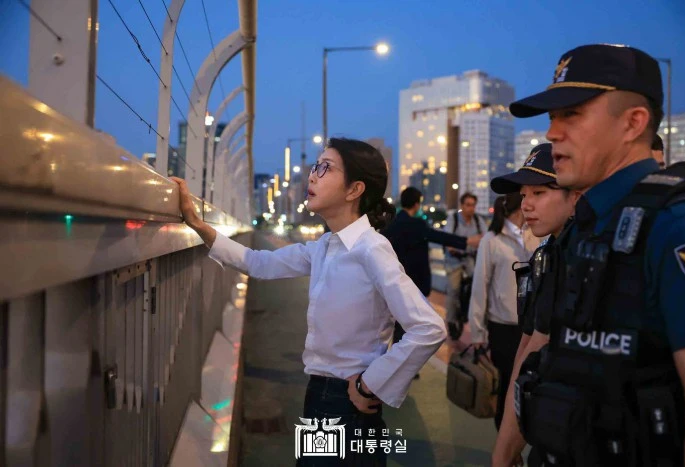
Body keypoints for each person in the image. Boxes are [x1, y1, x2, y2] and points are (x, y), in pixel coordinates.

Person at [172, 137, 447, 466]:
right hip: (321, 395)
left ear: (354, 189)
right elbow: (258, 263)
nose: (312, 175)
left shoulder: (371, 249)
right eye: (316, 166)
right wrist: (198, 224)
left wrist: (370, 383)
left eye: (325, 168)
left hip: (347, 403)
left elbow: (429, 327)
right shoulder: (325, 247)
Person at [507, 44, 685, 465]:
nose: (552, 133)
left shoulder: (678, 226)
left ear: (633, 122)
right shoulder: (585, 226)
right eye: (552, 118)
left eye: (571, 114)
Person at [488, 144, 581, 467]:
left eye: (539, 193)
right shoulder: (549, 254)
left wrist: (504, 450)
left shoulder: (577, 256)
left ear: (575, 197)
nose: (526, 204)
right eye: (524, 194)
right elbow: (528, 347)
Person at [468, 192, 540, 430]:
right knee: (506, 386)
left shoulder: (536, 235)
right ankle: (503, 437)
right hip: (502, 326)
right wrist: (477, 332)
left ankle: (522, 434)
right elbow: (480, 287)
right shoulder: (492, 240)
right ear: (519, 207)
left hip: (532, 325)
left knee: (530, 384)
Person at [382, 187, 467, 348]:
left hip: (394, 280)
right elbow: (439, 236)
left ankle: (396, 356)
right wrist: (465, 242)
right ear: (416, 204)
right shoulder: (417, 225)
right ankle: (406, 359)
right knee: (414, 325)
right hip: (416, 282)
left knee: (398, 323)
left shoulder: (391, 225)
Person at [443, 193, 487, 339]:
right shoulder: (454, 219)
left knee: (478, 286)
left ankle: (471, 315)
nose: (471, 208)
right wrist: (471, 240)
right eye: (468, 205)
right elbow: (449, 243)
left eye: (473, 205)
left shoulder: (478, 220)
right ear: (462, 205)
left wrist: (461, 241)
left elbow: (485, 240)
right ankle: (451, 320)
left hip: (470, 259)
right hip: (454, 260)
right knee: (453, 290)